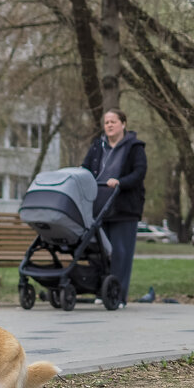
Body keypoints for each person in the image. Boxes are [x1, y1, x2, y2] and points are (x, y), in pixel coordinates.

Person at [81, 108, 147, 308]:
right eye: (106, 122)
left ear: (123, 124)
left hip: (124, 208)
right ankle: (102, 291)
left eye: (113, 121)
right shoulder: (97, 147)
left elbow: (139, 173)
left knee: (120, 253)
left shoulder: (134, 147)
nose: (109, 125)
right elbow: (85, 169)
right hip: (100, 207)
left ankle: (118, 296)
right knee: (101, 253)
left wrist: (119, 182)